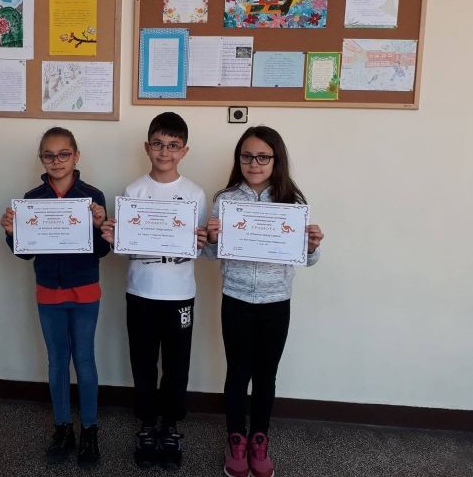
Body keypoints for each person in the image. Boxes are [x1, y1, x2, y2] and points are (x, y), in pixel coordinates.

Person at [203, 126, 324, 477]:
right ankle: (236, 439)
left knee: (266, 375)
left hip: (276, 302)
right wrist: (212, 239)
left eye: (262, 157)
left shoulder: (291, 203)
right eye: (246, 156)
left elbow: (307, 259)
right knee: (237, 372)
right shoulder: (225, 200)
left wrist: (312, 247)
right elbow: (211, 254)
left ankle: (259, 438)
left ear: (276, 160)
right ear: (238, 159)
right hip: (236, 298)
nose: (254, 163)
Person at [100, 112, 207, 470]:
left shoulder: (194, 194)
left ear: (184, 151)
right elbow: (126, 248)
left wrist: (203, 241)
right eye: (158, 144)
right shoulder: (133, 191)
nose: (165, 152)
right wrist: (114, 239)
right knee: (143, 361)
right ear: (147, 147)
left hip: (179, 293)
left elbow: (198, 246)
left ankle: (171, 425)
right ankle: (147, 425)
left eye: (173, 146)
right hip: (141, 290)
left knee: (177, 365)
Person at [0, 127, 110, 467]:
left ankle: (89, 430)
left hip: (85, 290)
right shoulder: (32, 199)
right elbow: (25, 253)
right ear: (41, 159)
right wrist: (12, 233)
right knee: (57, 361)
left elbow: (102, 250)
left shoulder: (92, 197)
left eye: (64, 154)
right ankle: (63, 428)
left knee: (85, 360)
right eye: (49, 155)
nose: (56, 161)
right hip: (48, 290)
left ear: (76, 156)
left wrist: (100, 225)